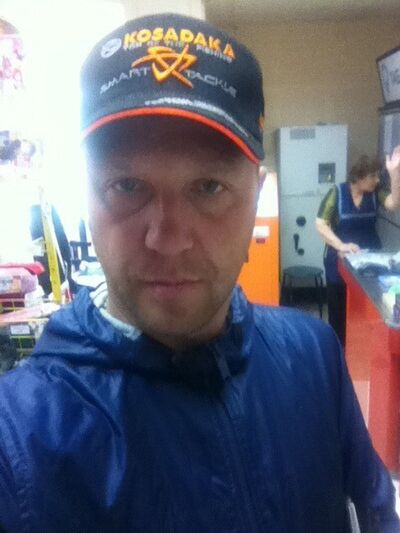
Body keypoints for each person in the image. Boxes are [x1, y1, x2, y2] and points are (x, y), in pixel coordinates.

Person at [0, 13, 398, 533]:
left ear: (256, 195)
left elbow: (377, 511)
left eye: (208, 187)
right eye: (127, 186)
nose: (168, 238)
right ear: (88, 193)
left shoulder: (313, 355)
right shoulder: (20, 441)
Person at [316, 151, 400, 345]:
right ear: (360, 176)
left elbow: (394, 203)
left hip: (369, 263)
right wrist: (341, 245)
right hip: (338, 262)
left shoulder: (375, 194)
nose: (377, 180)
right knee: (338, 312)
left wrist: (394, 173)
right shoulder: (337, 193)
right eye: (373, 176)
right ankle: (337, 348)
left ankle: (359, 352)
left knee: (365, 312)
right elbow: (320, 223)